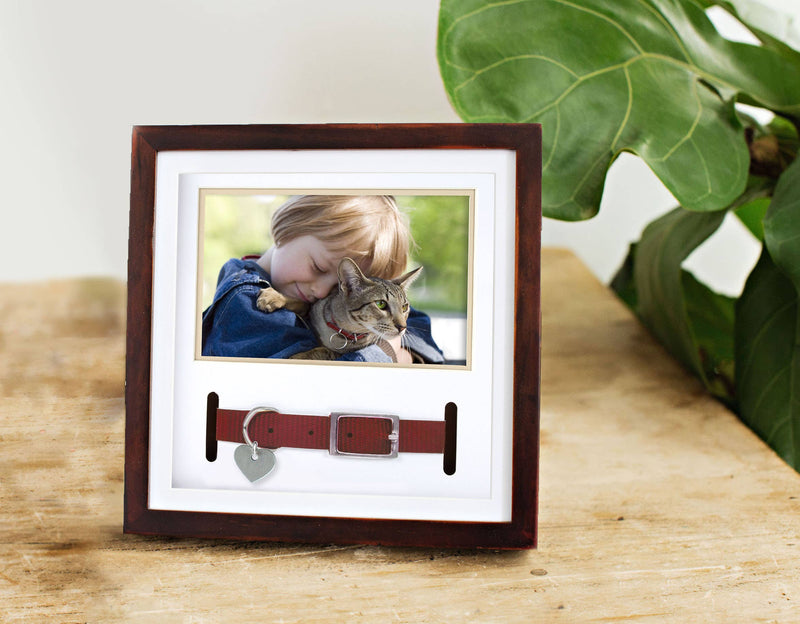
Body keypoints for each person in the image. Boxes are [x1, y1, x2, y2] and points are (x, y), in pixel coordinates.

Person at [201, 195, 444, 364]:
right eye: (318, 267)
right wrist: (389, 352)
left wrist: (409, 352)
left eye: (342, 290)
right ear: (290, 226)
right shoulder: (245, 302)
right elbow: (318, 384)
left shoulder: (309, 291)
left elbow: (422, 333)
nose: (321, 292)